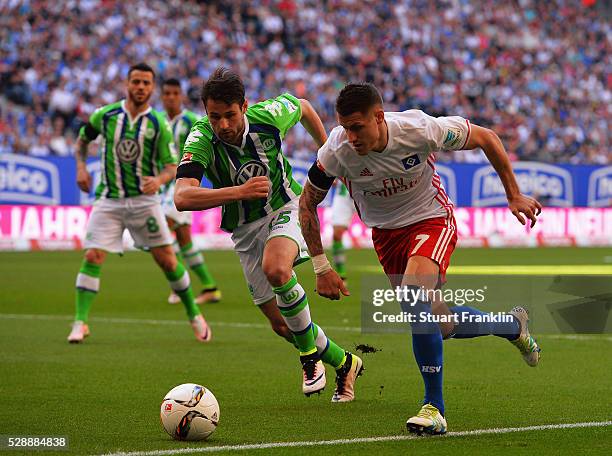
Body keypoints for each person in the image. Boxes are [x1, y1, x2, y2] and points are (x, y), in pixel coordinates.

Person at [299, 82, 542, 433]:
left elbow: (486, 137)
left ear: (378, 117)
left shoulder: (418, 129)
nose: (350, 136)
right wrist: (321, 266)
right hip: (386, 236)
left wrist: (514, 194)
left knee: (415, 298)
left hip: (432, 220)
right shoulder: (336, 150)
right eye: (345, 127)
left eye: (357, 127)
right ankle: (511, 326)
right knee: (440, 324)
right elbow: (307, 203)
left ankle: (434, 408)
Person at [174, 67, 363, 401]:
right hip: (244, 229)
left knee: (276, 268)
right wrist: (239, 192)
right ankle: (344, 362)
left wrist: (329, 154)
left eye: (230, 115)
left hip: (286, 207)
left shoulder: (269, 115)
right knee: (281, 324)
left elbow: (303, 106)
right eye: (214, 117)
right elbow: (182, 197)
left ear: (245, 106)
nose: (223, 125)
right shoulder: (201, 136)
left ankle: (308, 358)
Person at [68, 63, 212, 344]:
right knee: (92, 256)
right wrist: (81, 167)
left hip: (144, 202)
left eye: (146, 83)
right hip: (108, 200)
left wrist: (159, 181)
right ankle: (80, 322)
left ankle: (194, 314)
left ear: (151, 88)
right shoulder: (106, 115)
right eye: (136, 82)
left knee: (168, 261)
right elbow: (83, 140)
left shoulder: (158, 124)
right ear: (127, 83)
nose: (141, 87)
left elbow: (172, 167)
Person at [160, 78, 221, 305]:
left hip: (182, 186)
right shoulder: (157, 121)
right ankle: (209, 287)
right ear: (162, 96)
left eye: (175, 93)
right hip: (164, 186)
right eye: (167, 93)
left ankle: (179, 285)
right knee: (183, 239)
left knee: (162, 229)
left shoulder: (192, 121)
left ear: (181, 96)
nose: (171, 97)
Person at [330, 181, 355, 283]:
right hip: (344, 194)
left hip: (366, 192)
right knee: (337, 234)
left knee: (382, 229)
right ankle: (341, 274)